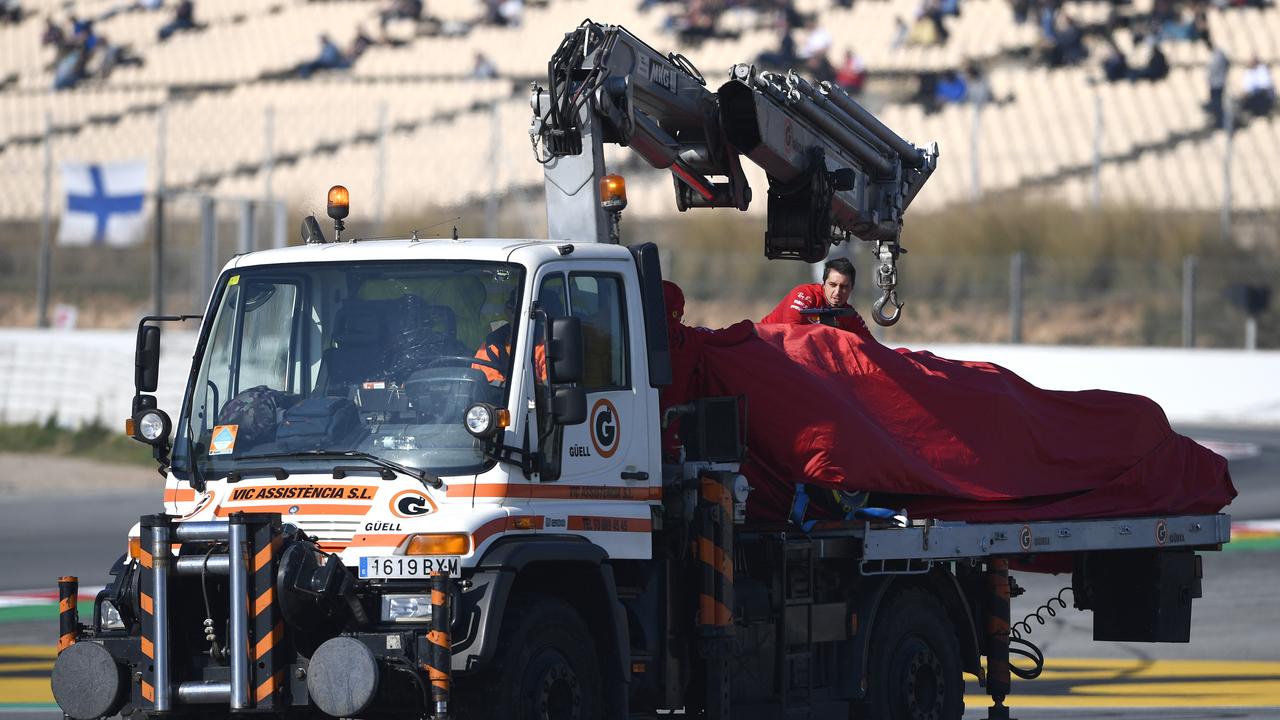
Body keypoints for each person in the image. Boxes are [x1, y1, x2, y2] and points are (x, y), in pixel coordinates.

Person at [761, 257, 873, 340]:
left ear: (852, 288)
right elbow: (791, 335)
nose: (837, 292)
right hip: (765, 345)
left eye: (844, 287)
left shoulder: (849, 314)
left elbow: (872, 347)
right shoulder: (805, 295)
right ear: (824, 284)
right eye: (833, 285)